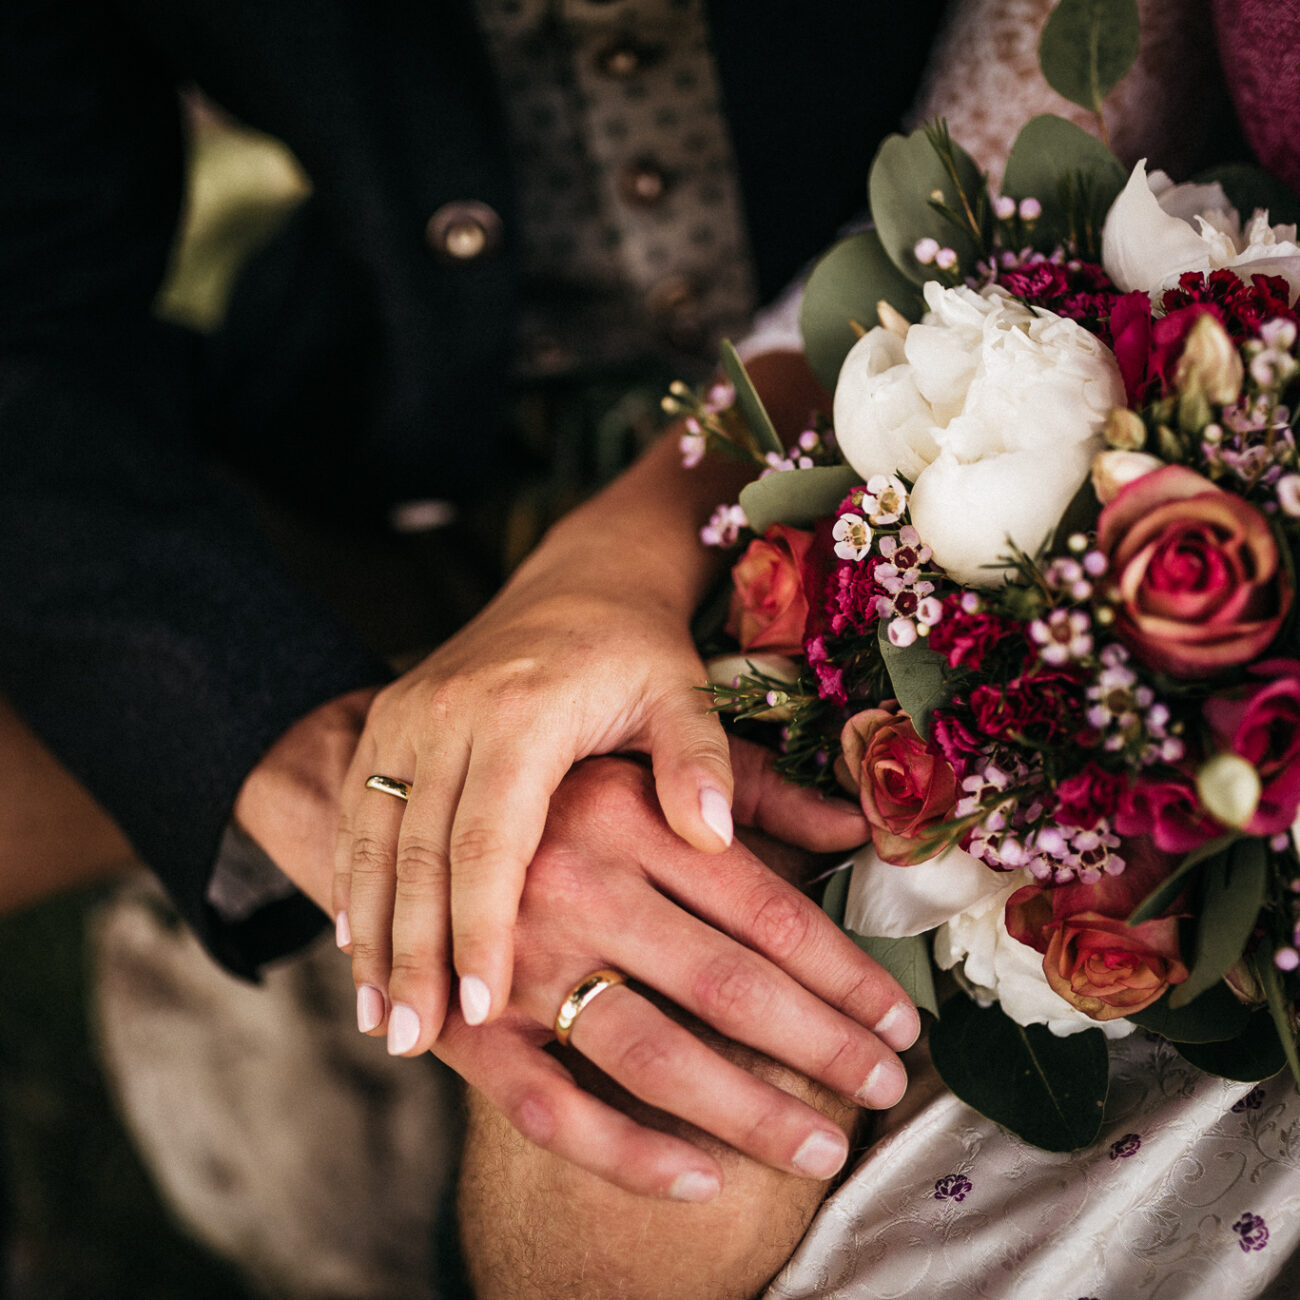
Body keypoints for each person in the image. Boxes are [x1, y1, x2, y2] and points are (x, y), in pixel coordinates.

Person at [1, 0, 947, 1211]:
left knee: (633, 1156)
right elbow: (25, 318)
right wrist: (321, 766)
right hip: (396, 441)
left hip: (850, 443)